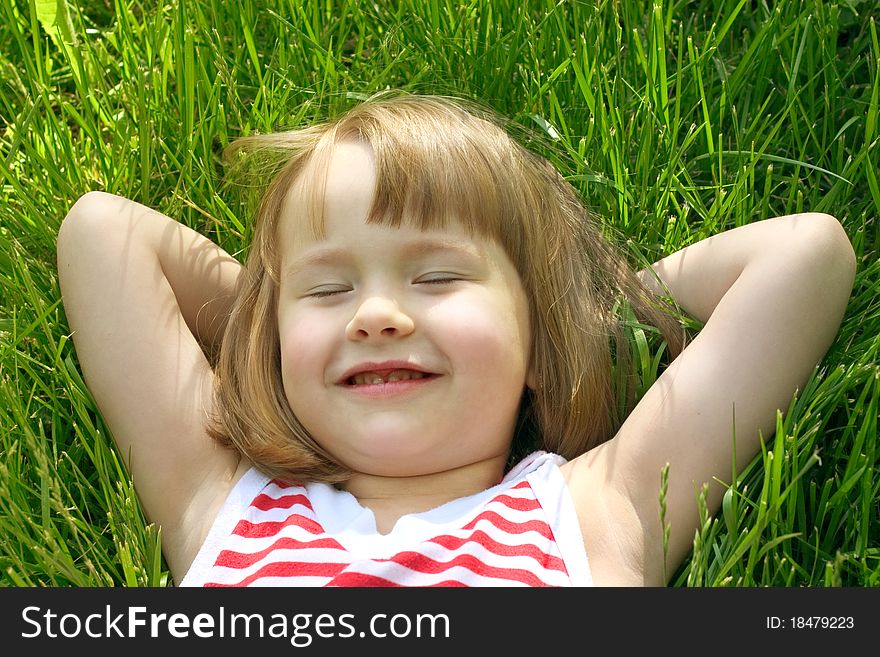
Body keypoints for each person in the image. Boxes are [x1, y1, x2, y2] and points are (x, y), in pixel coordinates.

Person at [55, 92, 855, 587]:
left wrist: (580, 325)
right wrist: (272, 335)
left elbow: (806, 256)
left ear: (537, 349)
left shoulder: (594, 514)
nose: (374, 315)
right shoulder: (225, 509)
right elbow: (101, 234)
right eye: (330, 290)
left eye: (436, 279)